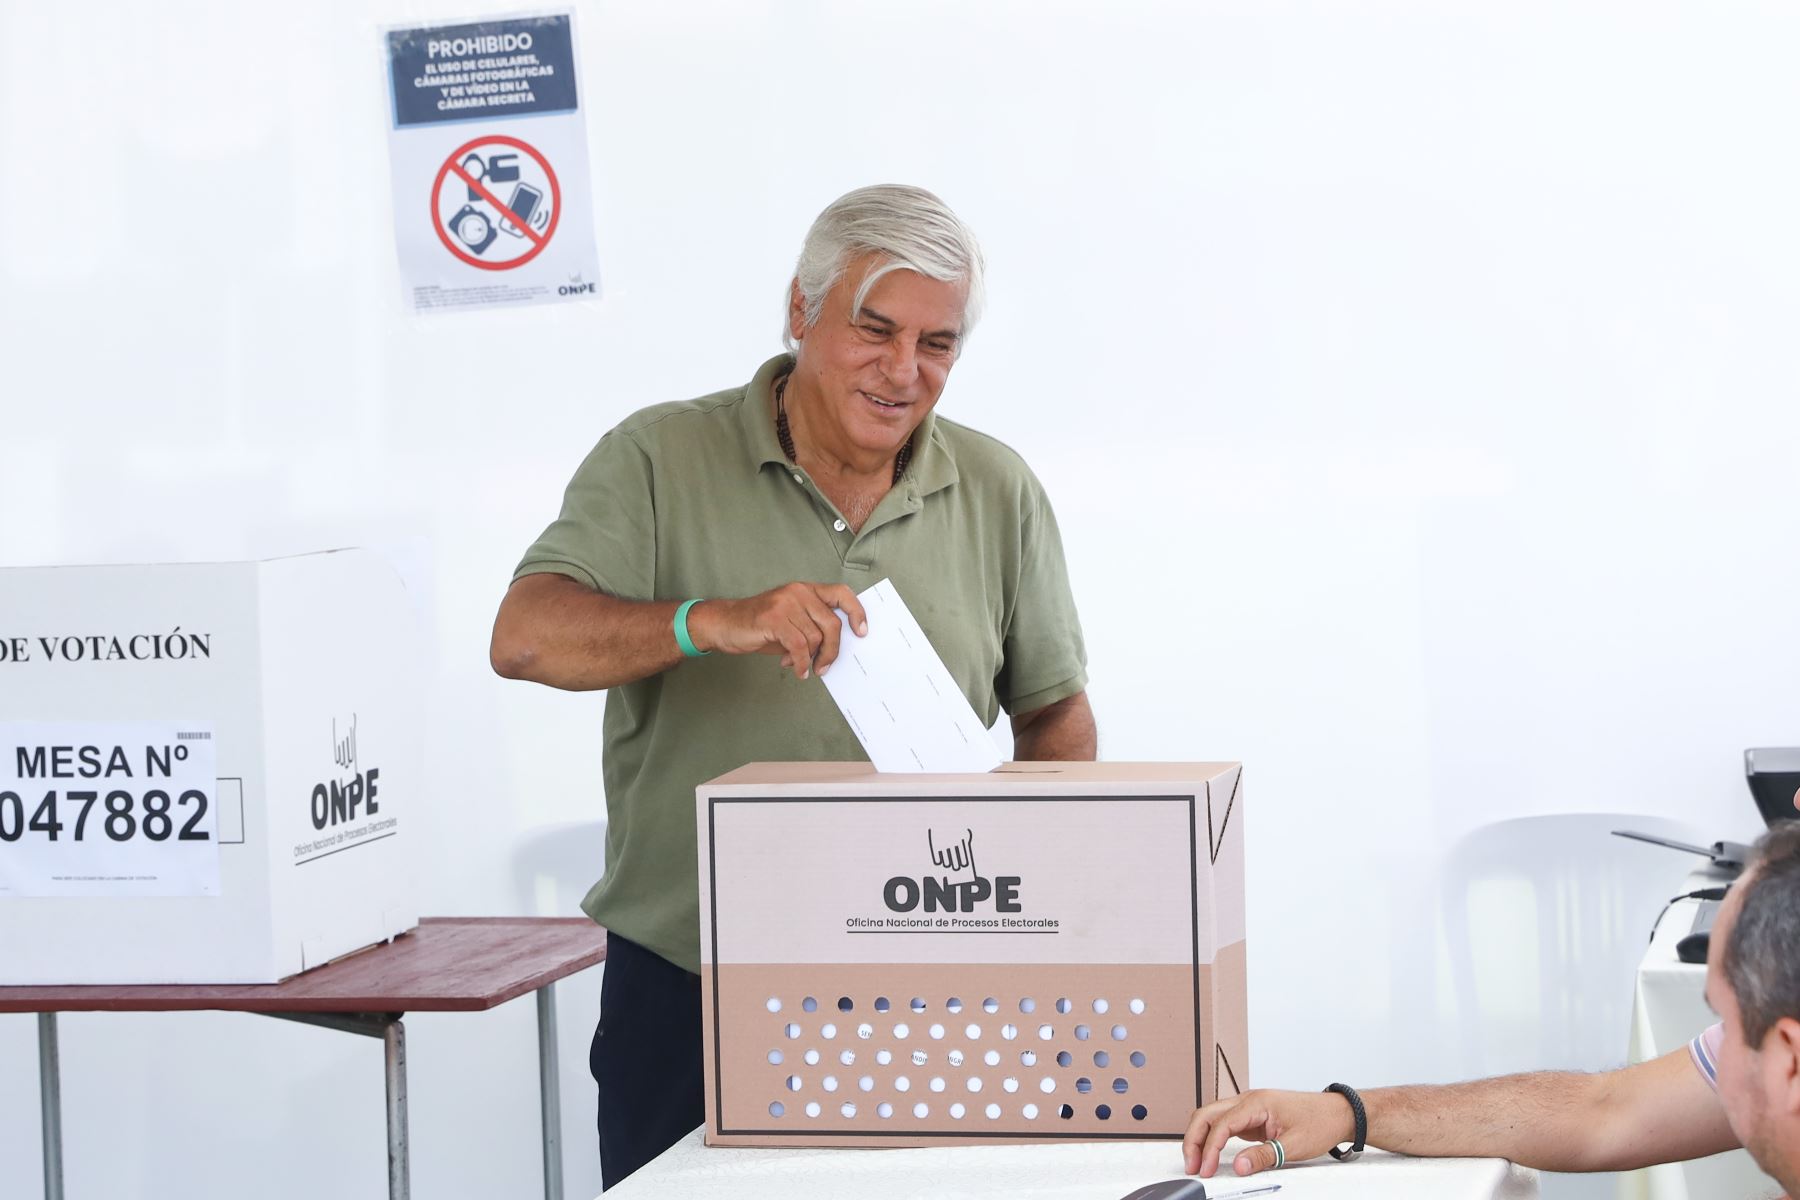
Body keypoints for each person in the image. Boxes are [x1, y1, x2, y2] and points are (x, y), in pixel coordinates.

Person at [490, 184, 1096, 1187]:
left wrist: (1040, 904)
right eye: (874, 329)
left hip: (935, 989)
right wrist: (708, 619)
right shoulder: (657, 456)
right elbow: (524, 639)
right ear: (800, 310)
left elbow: (1053, 707)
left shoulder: (998, 487)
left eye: (937, 343)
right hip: (692, 984)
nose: (904, 372)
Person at [1183, 822, 1800, 1196]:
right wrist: (1351, 1112)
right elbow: (1604, 1111)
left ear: (1788, 1059)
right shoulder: (1766, 1043)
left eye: (1725, 1017)